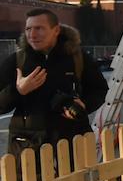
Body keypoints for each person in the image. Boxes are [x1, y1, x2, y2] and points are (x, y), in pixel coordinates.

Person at [0, 9, 108, 161]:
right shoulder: (17, 61)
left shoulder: (77, 57)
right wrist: (18, 91)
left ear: (56, 30)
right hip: (28, 147)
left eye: (39, 28)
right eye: (28, 29)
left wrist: (84, 104)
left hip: (73, 142)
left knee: (79, 177)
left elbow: (99, 89)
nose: (32, 35)